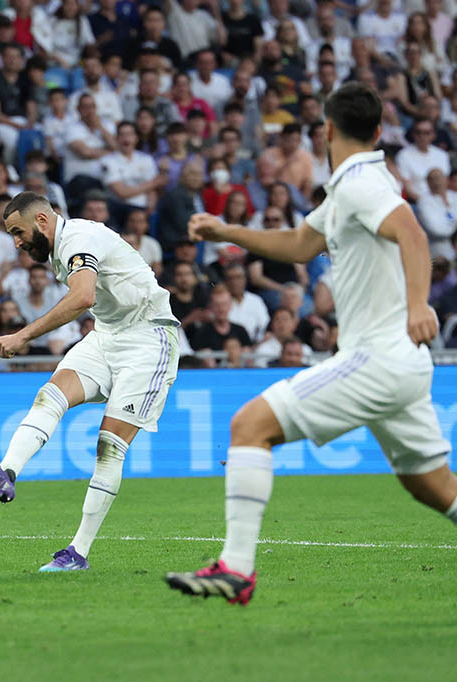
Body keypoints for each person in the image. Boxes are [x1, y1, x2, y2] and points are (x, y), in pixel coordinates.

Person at [165, 83, 453, 605]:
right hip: (401, 365)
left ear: (326, 131)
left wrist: (418, 304)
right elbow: (300, 242)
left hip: (379, 358)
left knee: (249, 425)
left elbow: (411, 231)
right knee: (434, 488)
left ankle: (236, 568)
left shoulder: (363, 185)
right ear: (379, 131)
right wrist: (225, 230)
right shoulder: (350, 186)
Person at [0, 191, 180, 571]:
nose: (17, 242)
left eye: (18, 231)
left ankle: (78, 552)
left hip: (149, 339)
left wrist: (23, 335)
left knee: (109, 446)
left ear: (42, 220)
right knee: (51, 395)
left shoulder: (77, 239)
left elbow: (82, 297)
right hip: (108, 335)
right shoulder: (62, 248)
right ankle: (5, 473)